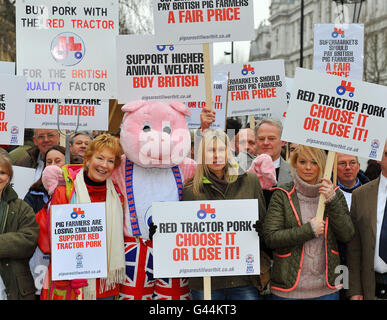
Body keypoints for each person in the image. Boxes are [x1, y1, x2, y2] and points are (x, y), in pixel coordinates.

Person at [182, 129, 269, 300]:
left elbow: (264, 223)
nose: (216, 156)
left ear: (229, 152)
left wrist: (260, 229)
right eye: (210, 150)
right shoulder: (191, 189)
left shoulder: (249, 181)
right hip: (206, 280)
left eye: (221, 150)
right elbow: (185, 233)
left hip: (243, 277)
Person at [37, 134, 126, 300]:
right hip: (69, 282)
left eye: (110, 161)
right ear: (88, 159)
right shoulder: (65, 192)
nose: (104, 165)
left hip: (105, 284)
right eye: (99, 158)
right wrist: (73, 269)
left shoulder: (118, 195)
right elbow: (54, 237)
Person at [263, 145, 354, 300]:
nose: (308, 168)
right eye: (302, 162)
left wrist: (332, 201)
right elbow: (271, 238)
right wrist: (308, 230)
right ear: (294, 163)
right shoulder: (282, 195)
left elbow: (347, 235)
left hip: (327, 289)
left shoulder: (334, 194)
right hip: (287, 290)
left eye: (314, 163)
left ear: (322, 165)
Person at [347, 140, 387, 300]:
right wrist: (355, 290)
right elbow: (354, 247)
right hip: (372, 286)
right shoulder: (361, 194)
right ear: (378, 158)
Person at [0, 152, 40, 300]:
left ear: (9, 177)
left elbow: (29, 240)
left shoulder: (22, 207)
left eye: (2, 172)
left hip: (15, 288)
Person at [24, 145, 66, 214]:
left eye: (57, 161)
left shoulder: (76, 188)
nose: (53, 165)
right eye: (49, 162)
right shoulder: (34, 193)